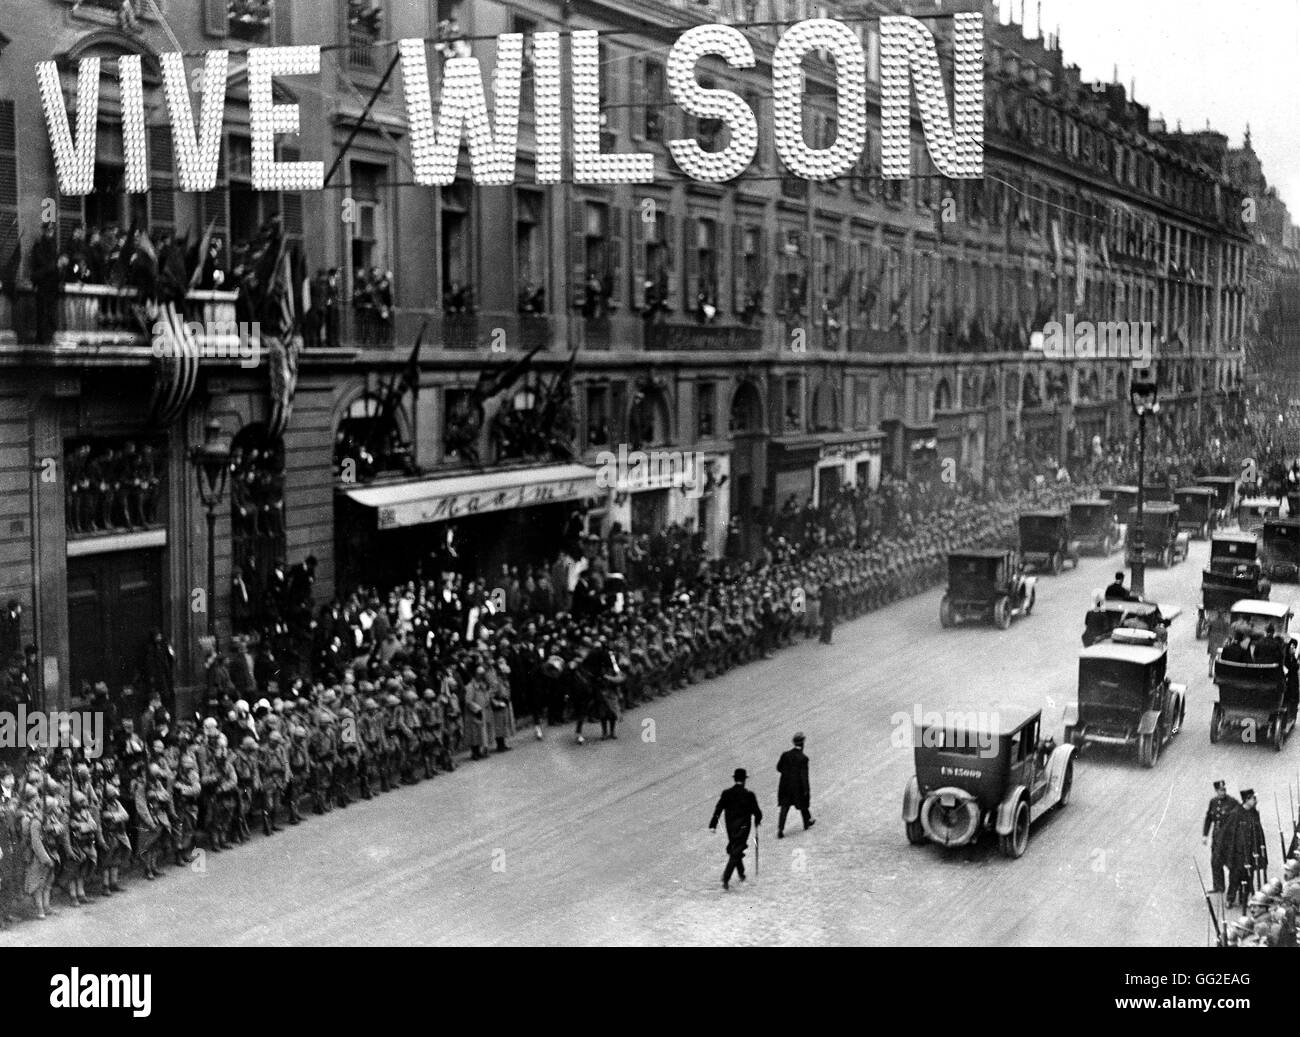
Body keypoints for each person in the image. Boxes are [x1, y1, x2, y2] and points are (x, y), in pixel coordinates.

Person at [708, 767, 762, 891]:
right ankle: (726, 878)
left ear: (735, 779)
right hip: (743, 827)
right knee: (736, 849)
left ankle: (741, 873)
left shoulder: (727, 793)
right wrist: (758, 819)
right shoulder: (749, 795)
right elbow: (757, 812)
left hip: (730, 827)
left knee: (735, 848)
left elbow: (719, 808)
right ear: (744, 780)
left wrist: (713, 824)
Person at [1225, 788, 1268, 908]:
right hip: (1238, 852)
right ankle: (1230, 898)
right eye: (1253, 798)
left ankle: (1244, 898)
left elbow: (1258, 831)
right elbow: (1229, 833)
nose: (1255, 800)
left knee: (1249, 875)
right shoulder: (1236, 813)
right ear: (1247, 799)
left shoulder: (1254, 813)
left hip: (1251, 851)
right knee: (1235, 876)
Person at [1203, 780, 1239, 897]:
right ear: (1216, 791)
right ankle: (1219, 886)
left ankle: (1235, 887)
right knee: (1215, 861)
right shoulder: (1213, 802)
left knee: (1231, 862)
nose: (1222, 792)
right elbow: (1209, 818)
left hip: (1229, 838)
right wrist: (1205, 835)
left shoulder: (1232, 802)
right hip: (1217, 837)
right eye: (1220, 790)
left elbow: (1240, 814)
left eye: (1224, 790)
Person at [775, 733, 815, 838]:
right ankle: (806, 823)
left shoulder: (785, 755)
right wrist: (806, 790)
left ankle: (780, 829)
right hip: (798, 788)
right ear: (802, 744)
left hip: (785, 786)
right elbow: (804, 776)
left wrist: (787, 774)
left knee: (784, 808)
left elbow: (778, 768)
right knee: (803, 804)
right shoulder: (803, 758)